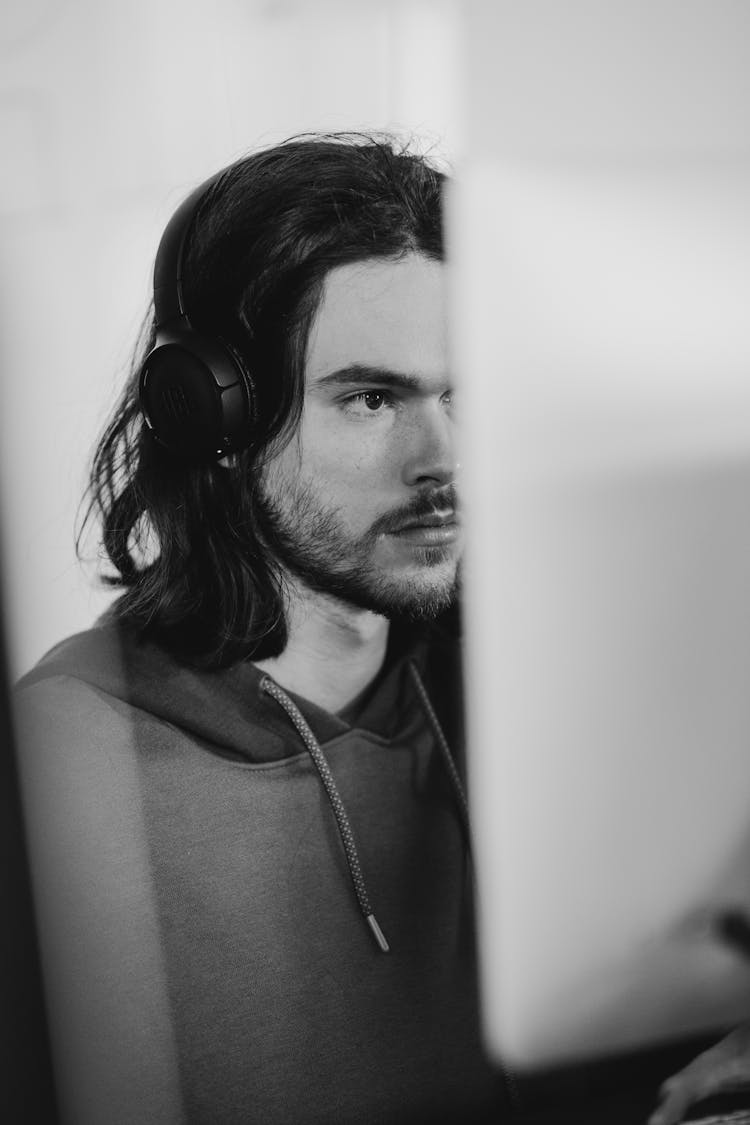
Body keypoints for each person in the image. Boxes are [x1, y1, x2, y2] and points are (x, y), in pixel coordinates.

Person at [15, 134, 512, 1125]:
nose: (442, 460)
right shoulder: (65, 763)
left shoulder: (530, 692)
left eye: (466, 393)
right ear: (217, 422)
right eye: (374, 399)